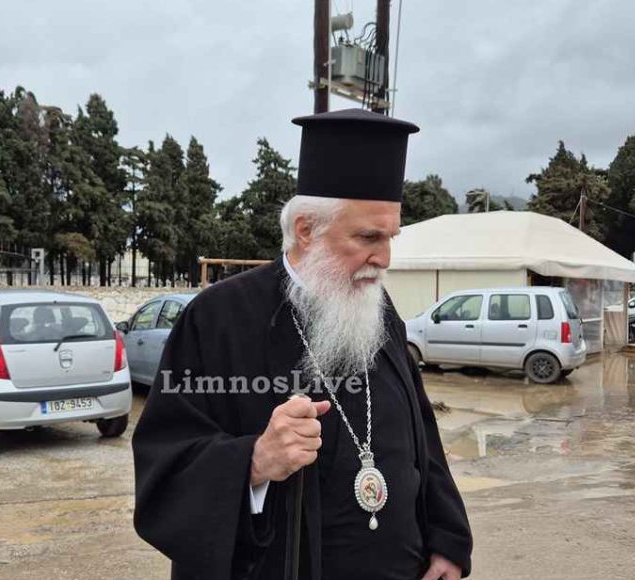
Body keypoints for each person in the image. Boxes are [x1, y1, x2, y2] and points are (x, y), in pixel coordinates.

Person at [132, 109, 472, 580]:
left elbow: (421, 438)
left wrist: (448, 541)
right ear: (307, 230)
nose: (385, 258)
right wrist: (254, 461)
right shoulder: (216, 319)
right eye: (368, 237)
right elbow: (164, 466)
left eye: (391, 236)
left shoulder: (378, 307)